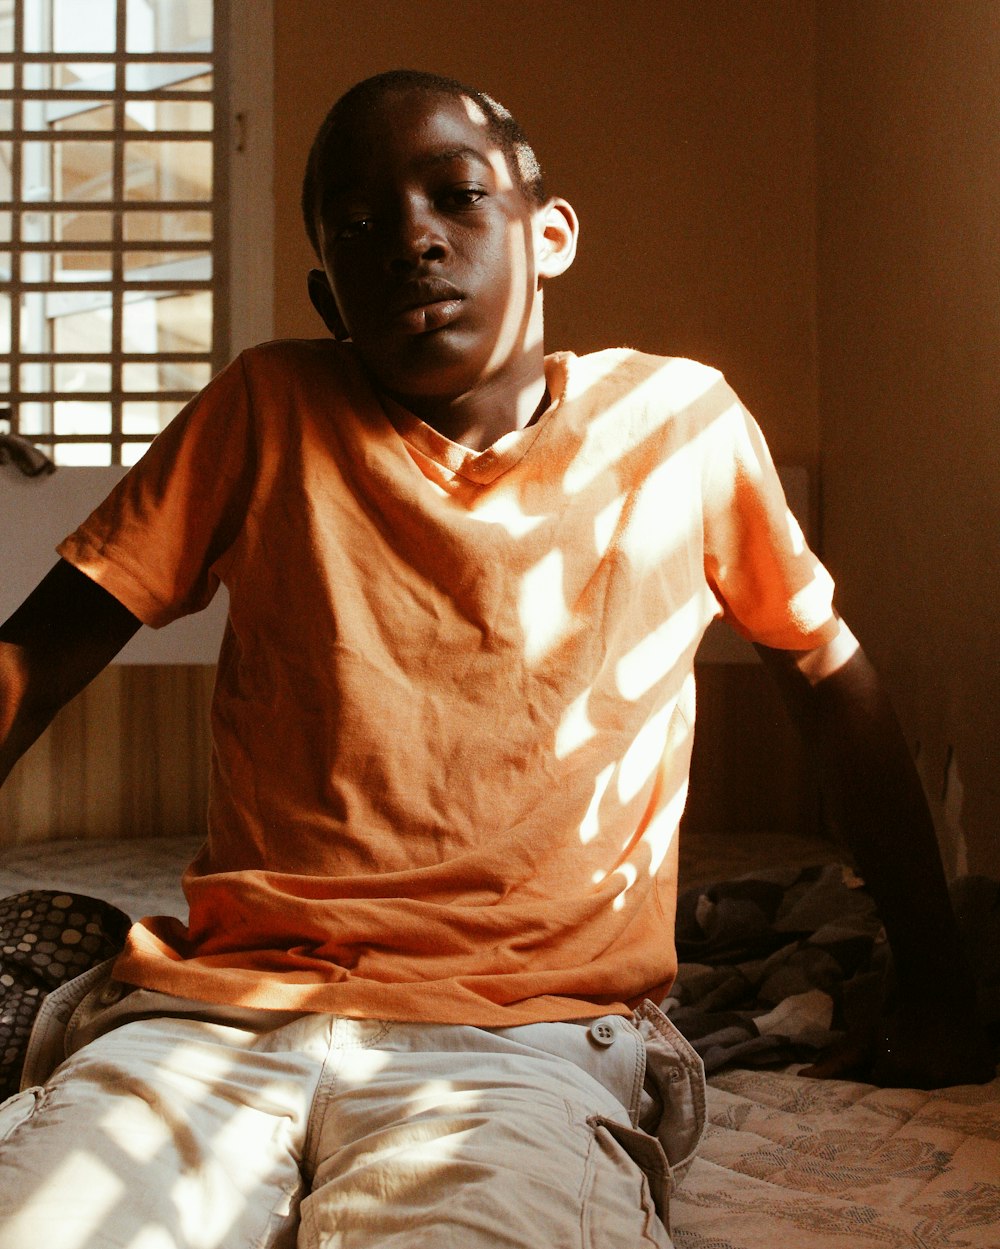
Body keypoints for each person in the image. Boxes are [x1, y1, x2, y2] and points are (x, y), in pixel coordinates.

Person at [0, 69, 991, 1249]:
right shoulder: (267, 408)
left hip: (521, 1034)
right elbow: (37, 657)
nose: (411, 239)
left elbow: (832, 687)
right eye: (359, 230)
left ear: (549, 232)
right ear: (329, 295)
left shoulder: (678, 426)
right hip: (216, 1016)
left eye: (456, 197)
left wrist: (934, 979)